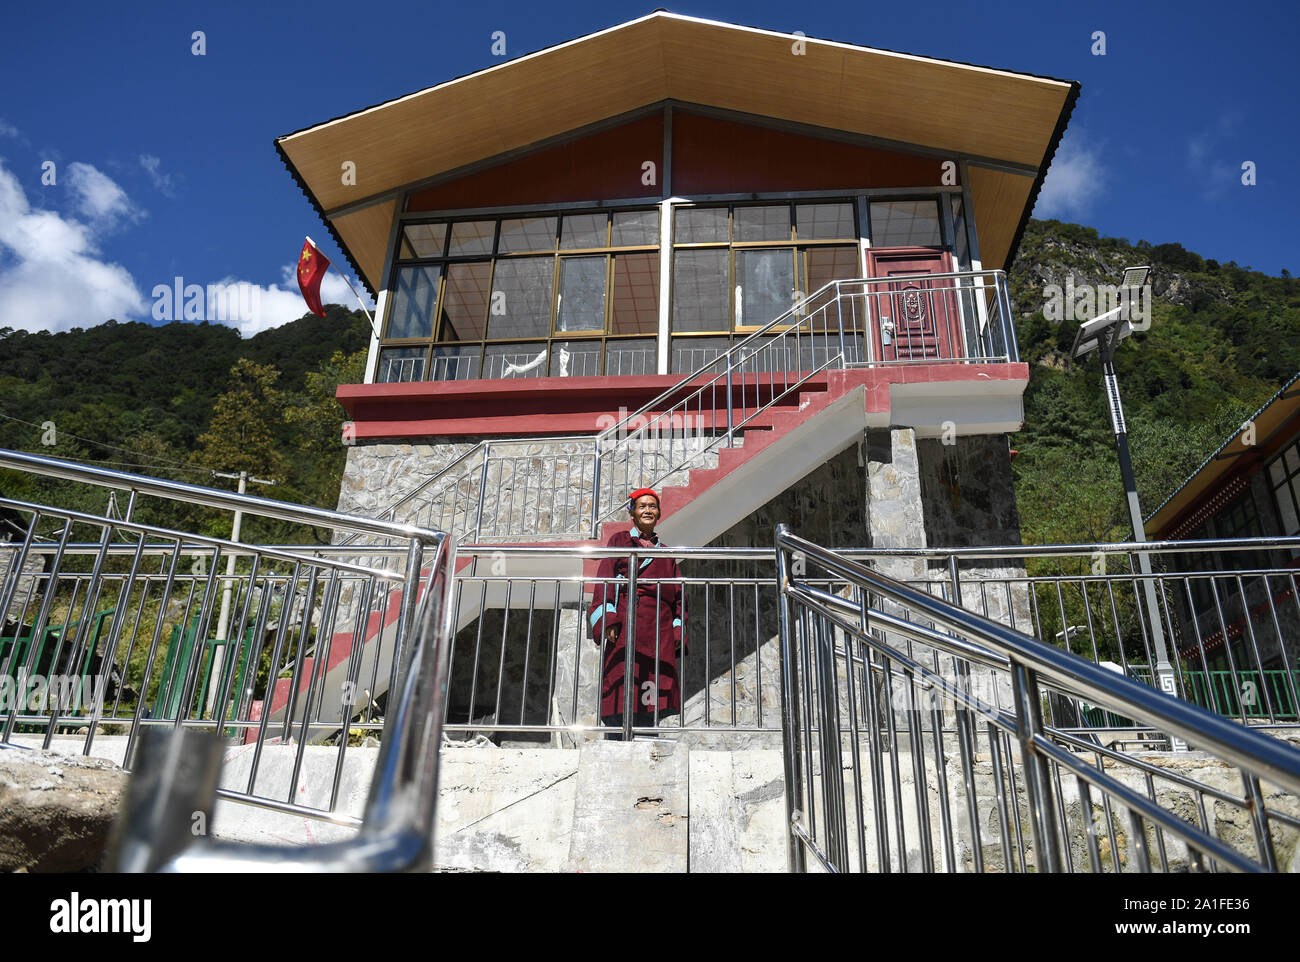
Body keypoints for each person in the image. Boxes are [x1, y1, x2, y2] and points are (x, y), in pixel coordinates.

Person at [588, 488, 686, 739]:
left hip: (657, 633)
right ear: (632, 512)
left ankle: (646, 743)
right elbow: (606, 579)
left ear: (659, 514)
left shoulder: (666, 553)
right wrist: (609, 619)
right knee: (621, 684)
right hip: (625, 626)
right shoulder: (620, 541)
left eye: (652, 507)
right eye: (642, 506)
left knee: (650, 691)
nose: (648, 511)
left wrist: (677, 631)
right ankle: (615, 741)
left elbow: (678, 597)